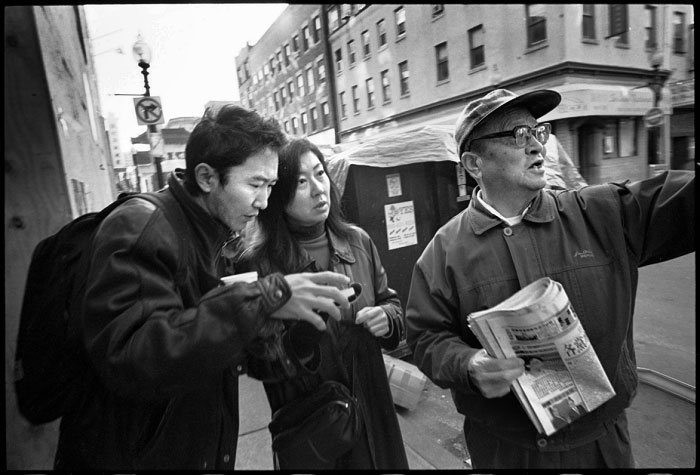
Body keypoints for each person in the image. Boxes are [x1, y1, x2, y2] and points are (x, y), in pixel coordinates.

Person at [405, 88, 694, 469]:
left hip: (602, 447)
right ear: (475, 164)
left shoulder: (602, 213)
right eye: (517, 135)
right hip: (505, 452)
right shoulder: (444, 251)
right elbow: (425, 338)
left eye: (538, 132)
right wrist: (469, 365)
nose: (537, 146)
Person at [54, 105, 353, 470]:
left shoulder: (217, 237)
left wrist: (301, 328)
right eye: (255, 185)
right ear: (208, 177)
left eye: (271, 186)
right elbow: (133, 357)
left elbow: (229, 348)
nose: (263, 201)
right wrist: (260, 299)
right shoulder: (139, 228)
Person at [237, 138, 409, 470]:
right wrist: (302, 337)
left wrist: (388, 318)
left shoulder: (358, 241)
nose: (319, 189)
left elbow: (391, 301)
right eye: (301, 182)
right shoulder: (259, 264)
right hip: (313, 423)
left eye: (320, 174)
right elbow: (259, 360)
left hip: (372, 407)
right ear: (278, 196)